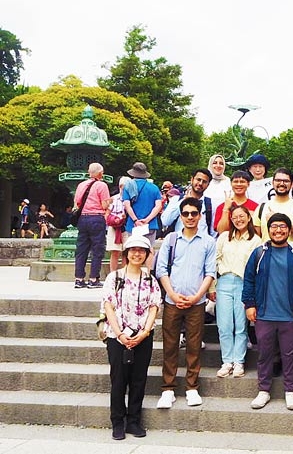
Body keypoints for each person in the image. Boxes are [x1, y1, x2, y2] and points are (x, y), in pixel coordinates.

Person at [242, 213, 293, 411]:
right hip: (264, 313)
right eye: (274, 226)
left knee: (290, 354)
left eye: (283, 226)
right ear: (268, 229)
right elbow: (249, 280)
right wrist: (249, 304)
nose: (278, 230)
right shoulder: (259, 253)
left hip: (290, 314)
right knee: (264, 354)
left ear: (289, 231)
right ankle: (263, 390)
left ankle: (290, 391)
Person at [155, 197, 217, 409]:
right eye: (186, 214)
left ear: (200, 215)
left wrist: (198, 295)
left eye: (194, 213)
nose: (190, 217)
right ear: (180, 216)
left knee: (193, 345)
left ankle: (192, 387)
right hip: (172, 300)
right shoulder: (171, 239)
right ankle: (168, 388)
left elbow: (210, 272)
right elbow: (161, 269)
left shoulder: (208, 241)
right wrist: (172, 294)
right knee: (170, 345)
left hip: (196, 301)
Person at [101, 235, 161, 441]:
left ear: (146, 255)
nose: (137, 254)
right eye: (133, 250)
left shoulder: (150, 280)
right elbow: (108, 305)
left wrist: (144, 333)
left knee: (138, 379)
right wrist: (119, 333)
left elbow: (154, 307)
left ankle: (134, 420)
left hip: (143, 336)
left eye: (141, 250)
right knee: (119, 380)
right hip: (116, 337)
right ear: (126, 254)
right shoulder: (114, 277)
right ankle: (117, 422)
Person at [214, 204, 262, 378]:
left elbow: (257, 266)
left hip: (244, 283)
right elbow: (215, 259)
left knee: (241, 325)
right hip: (224, 282)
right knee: (224, 324)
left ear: (248, 218)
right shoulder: (224, 237)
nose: (239, 220)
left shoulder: (256, 240)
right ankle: (227, 361)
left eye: (242, 216)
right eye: (235, 217)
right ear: (231, 219)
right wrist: (213, 286)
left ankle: (239, 362)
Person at [253, 168, 293, 249]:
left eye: (286, 181)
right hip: (268, 257)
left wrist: (275, 218)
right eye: (278, 180)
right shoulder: (262, 207)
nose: (282, 183)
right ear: (272, 183)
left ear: (292, 184)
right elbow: (257, 236)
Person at [74, 163, 111, 289]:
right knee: (97, 249)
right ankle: (93, 278)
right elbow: (105, 205)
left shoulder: (81, 185)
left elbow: (77, 203)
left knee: (81, 249)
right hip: (96, 218)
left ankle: (79, 279)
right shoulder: (102, 185)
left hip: (83, 218)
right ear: (100, 173)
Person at [123, 162, 163, 269]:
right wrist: (148, 219)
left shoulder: (128, 186)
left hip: (133, 225)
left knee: (132, 249)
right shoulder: (154, 188)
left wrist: (136, 220)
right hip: (150, 225)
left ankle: (131, 273)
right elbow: (158, 206)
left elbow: (127, 205)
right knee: (149, 248)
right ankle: (149, 274)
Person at [161, 168, 217, 238]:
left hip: (202, 245)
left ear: (208, 185)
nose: (200, 183)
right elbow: (165, 221)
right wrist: (183, 202)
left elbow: (213, 232)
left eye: (204, 181)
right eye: (198, 179)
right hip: (179, 243)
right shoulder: (176, 200)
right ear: (192, 179)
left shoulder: (211, 205)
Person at [107, 177, 130, 271]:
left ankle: (125, 273)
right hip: (115, 228)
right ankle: (113, 274)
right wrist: (114, 219)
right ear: (121, 187)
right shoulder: (114, 199)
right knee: (114, 252)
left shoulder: (132, 199)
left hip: (127, 227)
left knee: (127, 252)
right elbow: (107, 214)